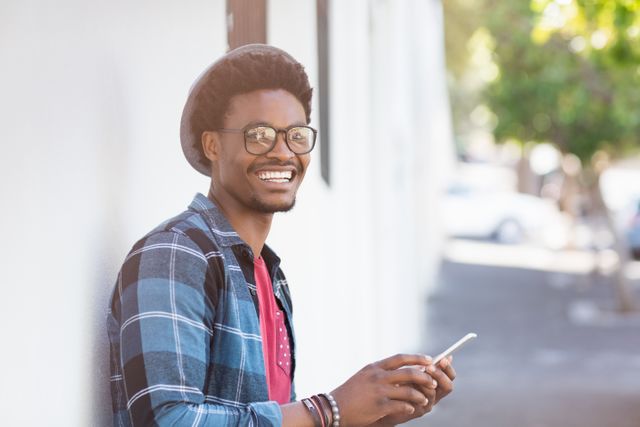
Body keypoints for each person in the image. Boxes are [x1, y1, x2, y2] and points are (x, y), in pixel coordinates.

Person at [107, 44, 456, 427]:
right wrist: (329, 409)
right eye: (259, 135)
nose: (283, 152)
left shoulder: (268, 277)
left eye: (296, 135)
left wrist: (378, 412)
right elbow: (168, 421)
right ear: (213, 145)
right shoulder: (177, 253)